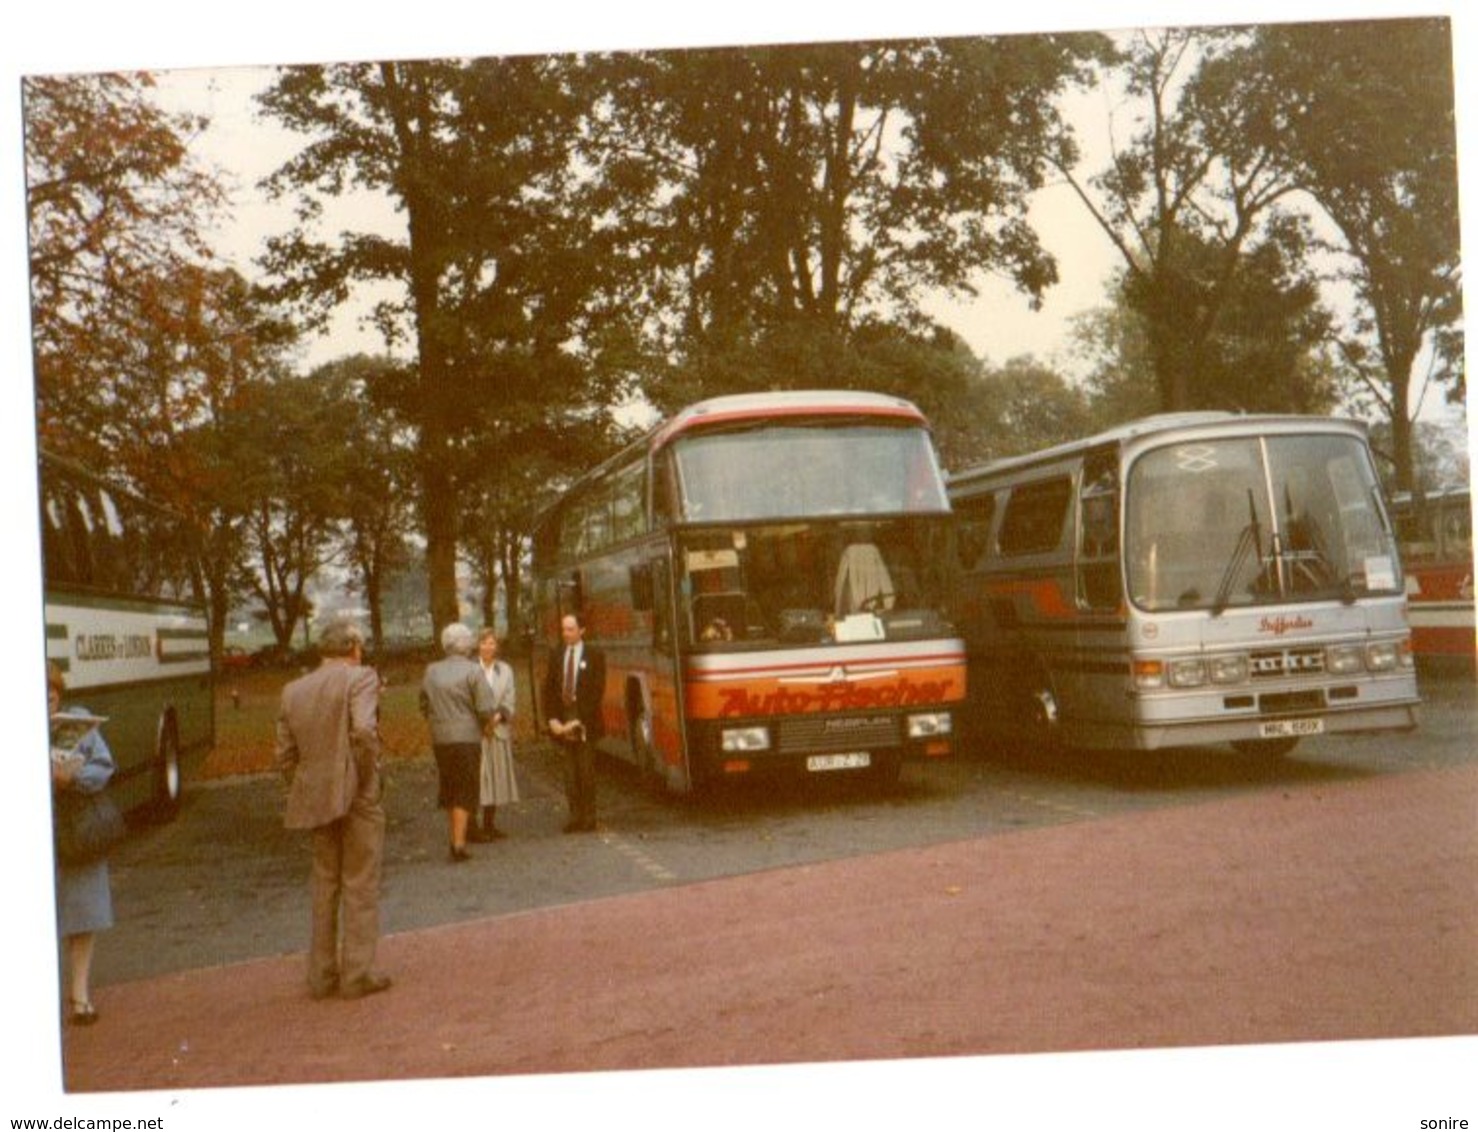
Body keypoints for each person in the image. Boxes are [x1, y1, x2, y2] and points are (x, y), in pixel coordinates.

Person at [274, 622, 391, 1001]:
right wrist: (362, 779)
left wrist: (306, 786)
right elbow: (364, 733)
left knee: (325, 883)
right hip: (357, 795)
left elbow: (285, 756)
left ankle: (322, 975)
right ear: (353, 647)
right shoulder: (361, 678)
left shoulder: (293, 690)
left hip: (316, 796)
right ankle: (357, 974)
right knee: (360, 882)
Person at [48, 662, 116, 1026]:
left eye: (52, 693)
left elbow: (104, 766)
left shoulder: (77, 721)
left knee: (83, 912)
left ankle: (80, 995)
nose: (46, 699)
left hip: (77, 829)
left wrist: (72, 778)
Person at [420, 623, 497, 861]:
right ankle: (459, 844)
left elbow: (423, 703)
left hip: (441, 737)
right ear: (467, 645)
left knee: (450, 787)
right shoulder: (473, 671)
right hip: (467, 737)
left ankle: (455, 836)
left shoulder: (431, 671)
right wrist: (487, 727)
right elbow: (485, 708)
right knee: (466, 788)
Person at [542, 611, 607, 833]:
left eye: (570, 629)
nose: (566, 633)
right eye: (563, 629)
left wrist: (579, 720)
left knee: (586, 770)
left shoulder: (595, 655)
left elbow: (597, 691)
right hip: (562, 718)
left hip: (584, 719)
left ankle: (590, 816)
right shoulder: (557, 654)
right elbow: (549, 689)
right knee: (569, 772)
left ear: (582, 630)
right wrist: (552, 719)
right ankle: (574, 815)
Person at [472, 628, 519, 842]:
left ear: (496, 646)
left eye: (492, 643)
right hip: (476, 732)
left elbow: (509, 698)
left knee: (496, 778)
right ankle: (473, 826)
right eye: (484, 643)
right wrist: (483, 722)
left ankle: (490, 824)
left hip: (498, 730)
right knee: (479, 778)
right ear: (477, 646)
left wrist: (497, 718)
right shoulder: (470, 670)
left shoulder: (505, 670)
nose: (488, 647)